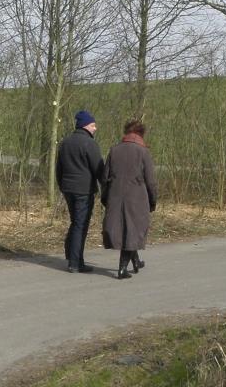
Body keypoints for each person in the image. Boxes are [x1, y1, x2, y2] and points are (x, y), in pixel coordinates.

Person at [101, 118, 157, 280]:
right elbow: (151, 181)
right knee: (132, 231)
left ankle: (136, 262)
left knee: (127, 230)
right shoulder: (143, 152)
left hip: (116, 196)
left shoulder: (114, 150)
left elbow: (105, 178)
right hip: (137, 198)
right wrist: (153, 201)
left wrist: (105, 198)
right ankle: (121, 269)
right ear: (141, 134)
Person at [55, 110, 105, 274]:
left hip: (68, 189)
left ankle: (72, 256)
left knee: (75, 222)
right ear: (85, 125)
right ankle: (75, 263)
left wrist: (62, 186)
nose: (95, 128)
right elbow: (99, 169)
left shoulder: (65, 143)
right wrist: (106, 187)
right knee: (80, 224)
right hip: (83, 190)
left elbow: (59, 169)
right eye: (93, 125)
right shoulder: (89, 144)